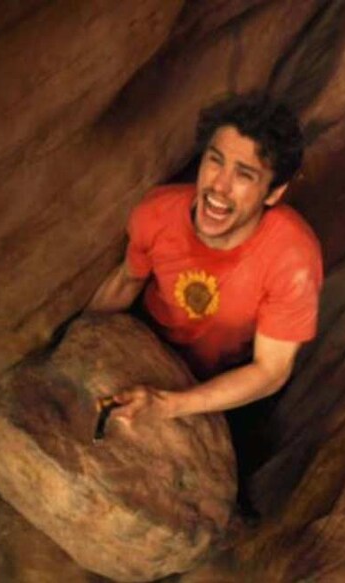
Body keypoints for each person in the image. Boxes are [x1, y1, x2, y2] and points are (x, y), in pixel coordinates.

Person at [86, 95, 323, 501]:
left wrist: (170, 405)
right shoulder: (157, 213)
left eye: (245, 174)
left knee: (231, 479)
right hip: (154, 345)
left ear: (273, 193)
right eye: (215, 160)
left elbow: (270, 371)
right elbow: (126, 281)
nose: (218, 185)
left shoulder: (292, 257)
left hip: (234, 378)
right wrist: (74, 340)